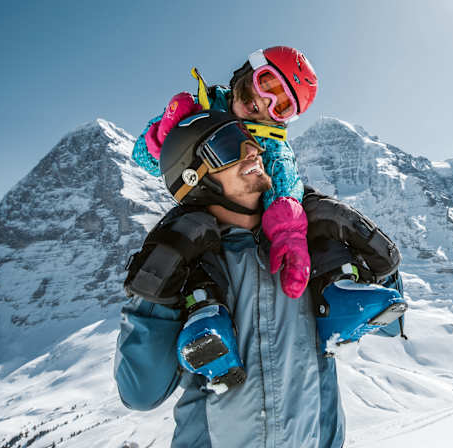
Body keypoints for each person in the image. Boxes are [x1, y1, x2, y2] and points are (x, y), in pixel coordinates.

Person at [115, 110, 347, 447]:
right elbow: (140, 392)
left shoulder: (304, 246)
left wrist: (364, 245)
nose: (252, 150)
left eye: (250, 140)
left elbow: (387, 324)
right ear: (194, 177)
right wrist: (158, 279)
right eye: (228, 146)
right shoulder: (187, 266)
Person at [133, 46, 318, 299]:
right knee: (186, 233)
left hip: (249, 222)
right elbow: (141, 156)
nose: (266, 102)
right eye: (268, 84)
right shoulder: (200, 109)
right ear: (248, 71)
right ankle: (198, 306)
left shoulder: (270, 141)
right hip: (202, 207)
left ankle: (336, 282)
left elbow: (283, 177)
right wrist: (162, 138)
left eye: (281, 106)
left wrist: (288, 229)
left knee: (317, 206)